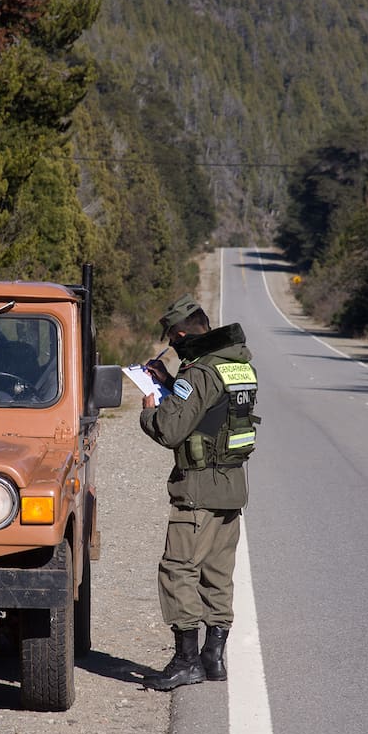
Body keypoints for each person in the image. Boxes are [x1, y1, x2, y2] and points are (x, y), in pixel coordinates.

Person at [138, 294, 259, 690]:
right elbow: (211, 414)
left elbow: (171, 429)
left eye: (173, 341)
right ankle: (213, 658)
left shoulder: (198, 373)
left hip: (198, 490)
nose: (173, 348)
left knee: (178, 569)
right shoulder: (237, 365)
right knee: (217, 573)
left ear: (180, 334)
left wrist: (149, 410)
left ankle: (186, 660)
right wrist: (169, 383)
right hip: (231, 487)